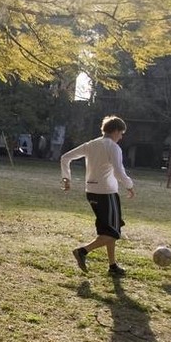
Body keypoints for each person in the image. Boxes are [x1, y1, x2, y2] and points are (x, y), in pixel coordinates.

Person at [60, 115, 135, 276]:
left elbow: (65, 158)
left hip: (91, 192)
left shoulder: (91, 144)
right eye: (121, 133)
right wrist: (129, 186)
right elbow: (119, 171)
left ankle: (112, 265)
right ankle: (82, 251)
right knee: (112, 232)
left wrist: (66, 178)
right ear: (115, 131)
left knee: (109, 230)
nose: (121, 137)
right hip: (107, 193)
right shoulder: (113, 147)